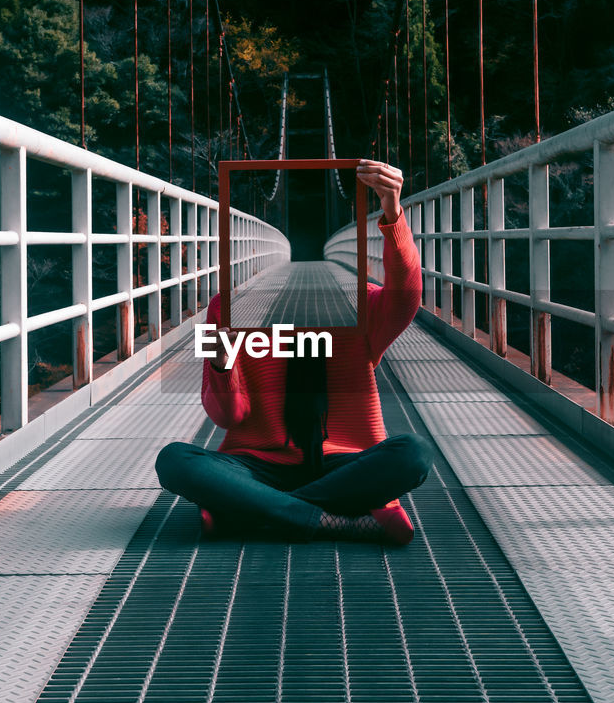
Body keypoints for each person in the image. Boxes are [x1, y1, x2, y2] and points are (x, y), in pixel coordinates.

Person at [155, 159, 431, 545]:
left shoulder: (360, 303)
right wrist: (220, 364)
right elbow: (228, 415)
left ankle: (255, 512)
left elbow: (408, 296)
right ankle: (329, 517)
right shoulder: (225, 308)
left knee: (414, 452)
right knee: (174, 460)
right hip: (257, 462)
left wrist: (392, 211)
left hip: (344, 460)